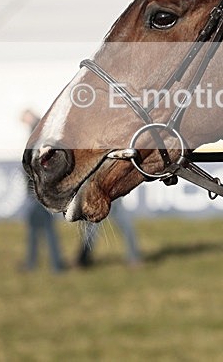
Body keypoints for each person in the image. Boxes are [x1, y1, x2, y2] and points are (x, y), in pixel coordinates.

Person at [20, 109, 66, 273]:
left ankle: (54, 265)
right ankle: (38, 263)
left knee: (46, 229)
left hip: (39, 190)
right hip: (40, 189)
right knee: (37, 228)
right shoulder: (43, 131)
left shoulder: (38, 134)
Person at [77, 198, 143, 269]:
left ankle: (134, 258)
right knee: (91, 232)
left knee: (128, 227)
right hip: (99, 200)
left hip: (115, 200)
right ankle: (82, 259)